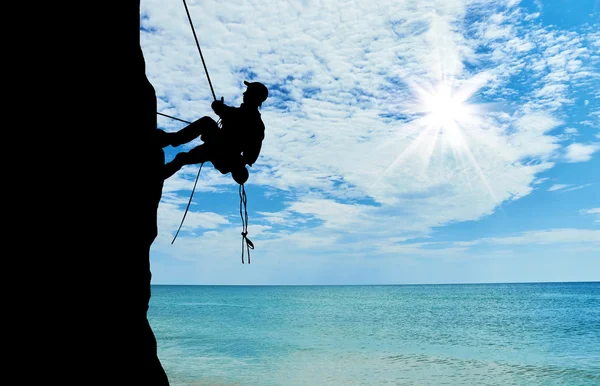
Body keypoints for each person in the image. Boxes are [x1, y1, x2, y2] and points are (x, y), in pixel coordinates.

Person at [158, 80, 268, 184]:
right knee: (182, 158)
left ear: (254, 97)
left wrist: (218, 107)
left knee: (206, 122)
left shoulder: (251, 120)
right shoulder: (252, 120)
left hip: (222, 152)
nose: (244, 93)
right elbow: (250, 157)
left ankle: (168, 140)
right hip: (218, 152)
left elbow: (250, 157)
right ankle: (157, 175)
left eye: (248, 92)